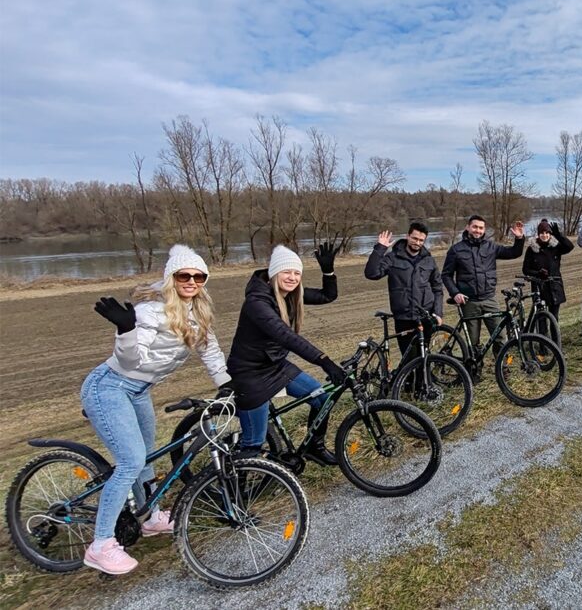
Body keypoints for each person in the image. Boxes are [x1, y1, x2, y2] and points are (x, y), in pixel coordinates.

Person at [79, 244, 231, 575]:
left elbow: (211, 350)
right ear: (170, 278)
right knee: (131, 460)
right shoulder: (151, 312)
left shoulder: (197, 312)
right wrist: (126, 330)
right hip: (110, 386)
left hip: (138, 390)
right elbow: (131, 361)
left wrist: (226, 383)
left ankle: (149, 518)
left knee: (147, 456)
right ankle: (101, 544)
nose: (191, 281)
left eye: (199, 276)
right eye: (184, 275)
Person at [227, 243, 344, 465]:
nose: (292, 278)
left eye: (296, 273)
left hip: (276, 366)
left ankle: (314, 447)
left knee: (321, 399)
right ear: (273, 273)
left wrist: (328, 271)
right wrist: (324, 361)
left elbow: (328, 296)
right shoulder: (257, 302)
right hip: (251, 374)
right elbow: (284, 335)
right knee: (253, 442)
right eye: (286, 272)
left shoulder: (291, 293)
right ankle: (236, 490)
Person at [442, 215, 525, 352]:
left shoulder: (491, 247)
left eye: (481, 228)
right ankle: (474, 370)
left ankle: (501, 367)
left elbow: (514, 253)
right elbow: (446, 275)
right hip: (469, 302)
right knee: (473, 342)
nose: (478, 230)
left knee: (500, 337)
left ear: (484, 229)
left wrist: (519, 239)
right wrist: (455, 293)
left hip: (489, 299)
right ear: (468, 227)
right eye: (475, 227)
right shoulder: (456, 250)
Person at [364, 222, 444, 359]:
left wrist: (438, 312)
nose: (417, 243)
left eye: (421, 240)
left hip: (425, 316)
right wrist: (380, 248)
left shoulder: (429, 260)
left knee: (424, 358)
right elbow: (371, 273)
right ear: (408, 236)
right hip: (404, 318)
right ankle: (406, 380)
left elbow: (437, 288)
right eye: (414, 238)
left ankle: (422, 381)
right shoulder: (393, 258)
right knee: (409, 360)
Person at [521, 219, 574, 322]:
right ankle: (542, 337)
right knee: (541, 319)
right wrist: (538, 273)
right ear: (538, 234)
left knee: (554, 318)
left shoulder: (555, 247)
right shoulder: (531, 249)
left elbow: (569, 247)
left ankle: (555, 338)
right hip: (539, 287)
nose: (544, 235)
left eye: (547, 233)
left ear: (550, 234)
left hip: (555, 285)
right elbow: (525, 269)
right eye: (542, 233)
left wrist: (559, 235)